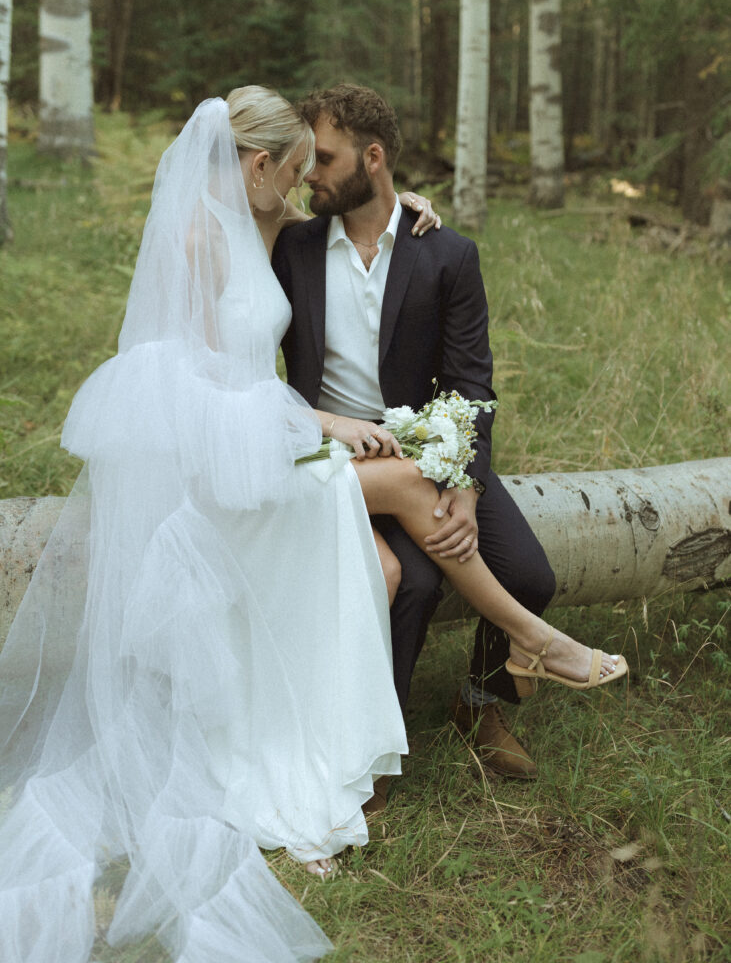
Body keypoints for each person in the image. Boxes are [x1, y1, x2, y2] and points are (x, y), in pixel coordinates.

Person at [0, 86, 626, 963]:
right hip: (239, 461)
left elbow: (367, 226)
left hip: (292, 451)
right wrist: (318, 423)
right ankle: (535, 642)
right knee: (411, 493)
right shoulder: (217, 238)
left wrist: (408, 201)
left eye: (317, 167)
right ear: (259, 165)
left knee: (390, 572)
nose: (305, 183)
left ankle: (363, 742)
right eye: (296, 167)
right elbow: (194, 380)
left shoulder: (288, 221)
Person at [272, 84, 556, 791]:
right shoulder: (292, 247)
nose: (310, 173)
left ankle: (480, 704)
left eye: (325, 158)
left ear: (373, 158)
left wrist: (462, 483)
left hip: (427, 455)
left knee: (528, 575)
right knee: (415, 583)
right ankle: (375, 752)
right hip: (326, 454)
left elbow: (471, 383)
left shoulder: (446, 255)